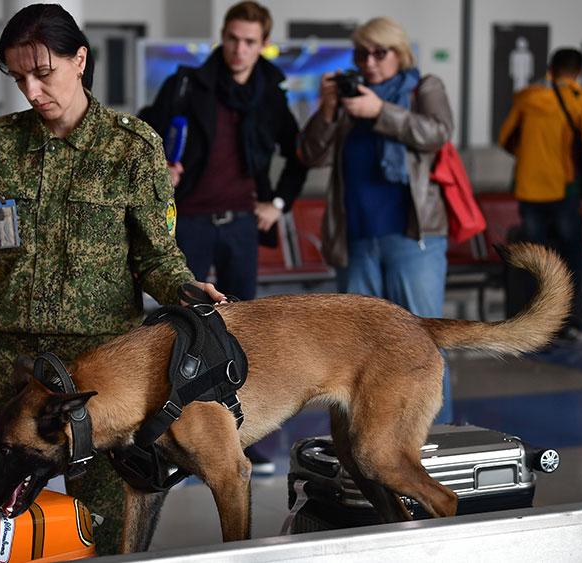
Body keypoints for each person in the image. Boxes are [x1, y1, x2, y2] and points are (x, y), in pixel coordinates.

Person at [0, 4, 223, 554]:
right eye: (18, 76)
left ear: (80, 60)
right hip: (6, 364)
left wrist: (185, 290)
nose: (31, 89)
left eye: (42, 72)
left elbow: (156, 257)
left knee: (101, 518)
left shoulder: (131, 148)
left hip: (97, 374)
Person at [138, 1, 307, 473]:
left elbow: (298, 156)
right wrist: (160, 168)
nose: (239, 49)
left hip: (240, 224)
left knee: (243, 330)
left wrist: (277, 205)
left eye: (250, 41)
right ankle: (178, 433)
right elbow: (146, 134)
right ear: (223, 35)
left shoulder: (270, 93)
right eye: (232, 38)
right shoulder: (189, 82)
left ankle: (241, 434)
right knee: (183, 325)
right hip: (191, 217)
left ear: (262, 43)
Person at [299, 16, 454, 423]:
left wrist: (380, 110)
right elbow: (311, 154)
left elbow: (437, 132)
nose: (369, 62)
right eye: (361, 53)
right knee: (355, 350)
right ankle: (372, 447)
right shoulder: (349, 102)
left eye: (379, 52)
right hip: (356, 241)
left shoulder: (423, 87)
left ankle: (436, 439)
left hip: (411, 239)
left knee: (423, 342)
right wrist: (328, 109)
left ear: (399, 53)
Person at [498, 47, 582, 341]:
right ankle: (568, 322)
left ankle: (533, 324)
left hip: (529, 191)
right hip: (564, 189)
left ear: (550, 68)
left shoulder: (527, 99)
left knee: (535, 260)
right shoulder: (580, 101)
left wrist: (527, 158)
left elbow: (505, 138)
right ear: (579, 72)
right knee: (569, 259)